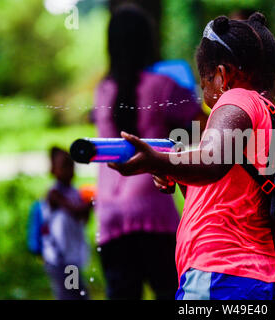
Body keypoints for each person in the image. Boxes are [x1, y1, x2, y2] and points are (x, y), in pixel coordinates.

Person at [109, 13, 275, 300]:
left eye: (205, 83)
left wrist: (156, 161)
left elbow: (213, 161)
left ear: (222, 75)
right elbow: (237, 185)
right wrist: (177, 172)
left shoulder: (235, 99)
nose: (205, 92)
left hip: (225, 275)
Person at [94, 4, 202, 300]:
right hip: (153, 209)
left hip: (109, 212)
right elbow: (209, 129)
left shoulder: (102, 90)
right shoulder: (164, 86)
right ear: (147, 42)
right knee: (171, 293)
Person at [43, 147, 92, 300]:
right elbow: (75, 211)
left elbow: (82, 219)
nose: (70, 170)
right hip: (60, 258)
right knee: (71, 294)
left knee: (77, 294)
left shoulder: (74, 192)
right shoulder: (54, 193)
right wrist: (93, 200)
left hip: (71, 256)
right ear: (53, 170)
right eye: (65, 165)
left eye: (71, 165)